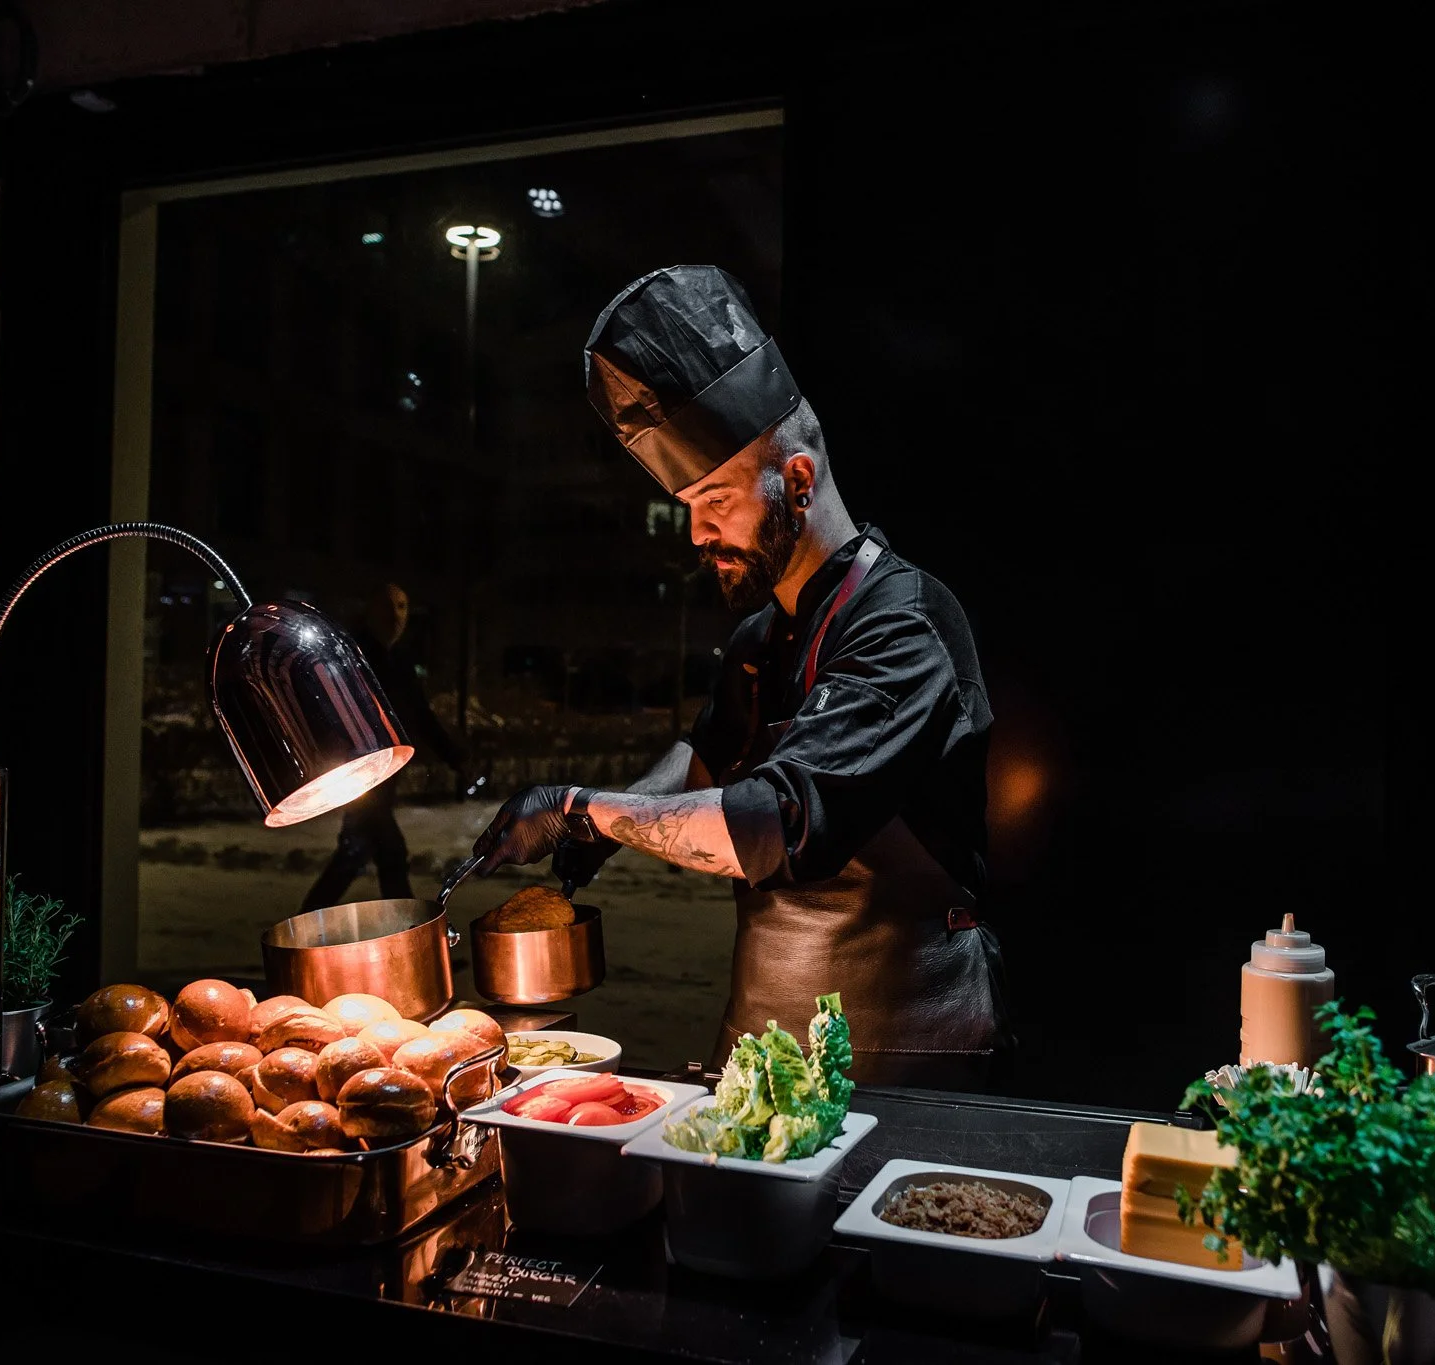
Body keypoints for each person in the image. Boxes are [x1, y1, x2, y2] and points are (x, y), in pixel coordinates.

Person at [468, 265, 1007, 1088]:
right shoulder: (762, 638)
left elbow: (777, 821)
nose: (695, 532)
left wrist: (588, 811)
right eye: (687, 503)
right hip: (757, 1050)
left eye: (714, 497)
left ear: (795, 479)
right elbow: (703, 766)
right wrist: (595, 821)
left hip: (906, 1057)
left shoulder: (906, 625)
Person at [302, 582, 465, 912]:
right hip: (361, 776)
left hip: (384, 777)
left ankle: (303, 932)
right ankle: (410, 940)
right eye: (387, 606)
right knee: (389, 852)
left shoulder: (401, 662)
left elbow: (420, 715)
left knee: (355, 855)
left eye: (403, 607)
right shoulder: (353, 655)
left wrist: (456, 758)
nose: (395, 616)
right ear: (371, 611)